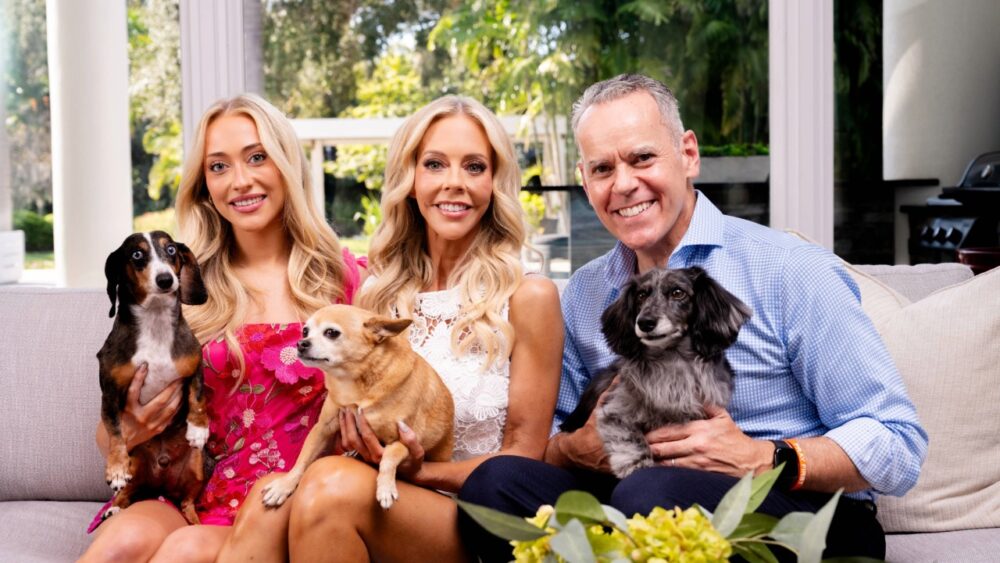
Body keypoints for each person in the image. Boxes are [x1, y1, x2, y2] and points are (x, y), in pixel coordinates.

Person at [457, 74, 928, 561]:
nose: (623, 184)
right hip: (634, 491)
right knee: (493, 486)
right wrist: (576, 447)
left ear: (688, 155)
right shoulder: (586, 293)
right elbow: (551, 435)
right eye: (602, 169)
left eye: (642, 158)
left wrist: (763, 457)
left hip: (795, 509)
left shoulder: (791, 270)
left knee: (649, 496)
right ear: (585, 181)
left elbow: (896, 440)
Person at [214, 94, 563, 562]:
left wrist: (421, 474)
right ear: (411, 180)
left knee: (329, 487)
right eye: (435, 164)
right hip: (382, 495)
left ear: (495, 183)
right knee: (271, 497)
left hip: (476, 513)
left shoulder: (528, 297)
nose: (454, 183)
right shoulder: (377, 294)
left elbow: (524, 457)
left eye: (474, 167)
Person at [79, 93, 367, 563]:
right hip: (190, 485)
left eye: (257, 157)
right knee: (120, 547)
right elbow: (108, 431)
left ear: (286, 164)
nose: (240, 181)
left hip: (286, 497)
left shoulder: (344, 281)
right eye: (218, 167)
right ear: (203, 185)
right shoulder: (180, 285)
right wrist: (131, 428)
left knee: (186, 551)